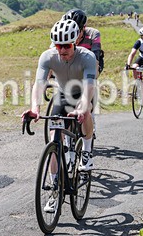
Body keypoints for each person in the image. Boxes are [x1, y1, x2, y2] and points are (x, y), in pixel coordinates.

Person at [22, 18, 97, 182]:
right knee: (54, 139)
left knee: (86, 111)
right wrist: (35, 109)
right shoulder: (47, 57)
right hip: (63, 94)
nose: (62, 50)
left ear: (76, 41)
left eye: (67, 46)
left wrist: (82, 108)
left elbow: (89, 87)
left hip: (84, 93)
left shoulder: (88, 57)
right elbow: (39, 84)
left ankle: (86, 150)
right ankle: (54, 187)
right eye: (58, 46)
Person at [63, 8, 103, 74]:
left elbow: (96, 57)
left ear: (84, 27)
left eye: (77, 32)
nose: (74, 35)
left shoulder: (93, 33)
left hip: (87, 61)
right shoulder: (61, 34)